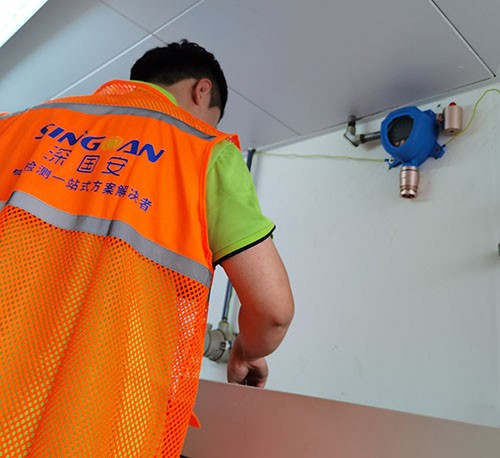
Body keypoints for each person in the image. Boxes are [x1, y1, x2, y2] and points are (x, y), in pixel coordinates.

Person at [0, 40, 294, 457]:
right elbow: (274, 311)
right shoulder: (203, 150)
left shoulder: (16, 125)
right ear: (202, 91)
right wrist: (247, 350)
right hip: (95, 415)